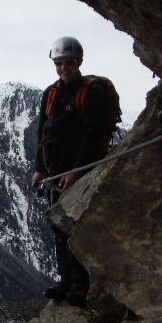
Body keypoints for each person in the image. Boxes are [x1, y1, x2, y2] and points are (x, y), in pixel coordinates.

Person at [31, 36, 110, 307]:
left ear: (79, 62)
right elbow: (43, 133)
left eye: (69, 63)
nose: (64, 68)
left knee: (72, 227)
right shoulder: (50, 94)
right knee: (58, 228)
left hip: (78, 169)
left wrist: (77, 170)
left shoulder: (90, 92)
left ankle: (79, 286)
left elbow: (91, 134)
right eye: (59, 63)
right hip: (55, 171)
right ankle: (66, 281)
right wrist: (39, 169)